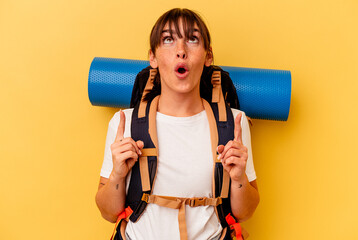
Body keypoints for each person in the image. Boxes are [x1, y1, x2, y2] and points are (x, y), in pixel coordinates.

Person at [95, 8, 260, 240]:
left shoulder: (234, 123)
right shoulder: (125, 123)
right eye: (169, 40)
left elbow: (245, 213)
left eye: (192, 39)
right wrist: (117, 175)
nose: (181, 51)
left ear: (208, 56)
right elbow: (108, 212)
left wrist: (239, 178)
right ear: (153, 57)